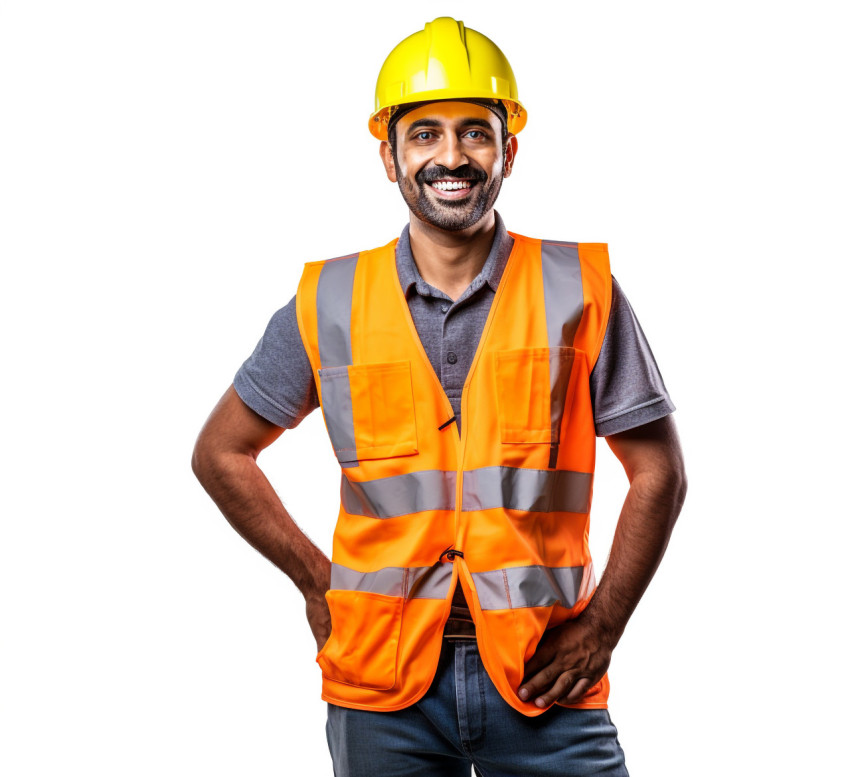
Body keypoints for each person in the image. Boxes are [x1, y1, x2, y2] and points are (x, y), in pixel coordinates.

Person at [192, 16, 687, 777]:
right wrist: (314, 578)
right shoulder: (329, 299)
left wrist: (606, 625)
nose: (451, 157)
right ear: (388, 156)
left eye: (475, 134)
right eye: (424, 134)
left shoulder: (579, 290)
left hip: (544, 675)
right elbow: (221, 453)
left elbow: (659, 474)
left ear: (509, 152)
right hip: (381, 683)